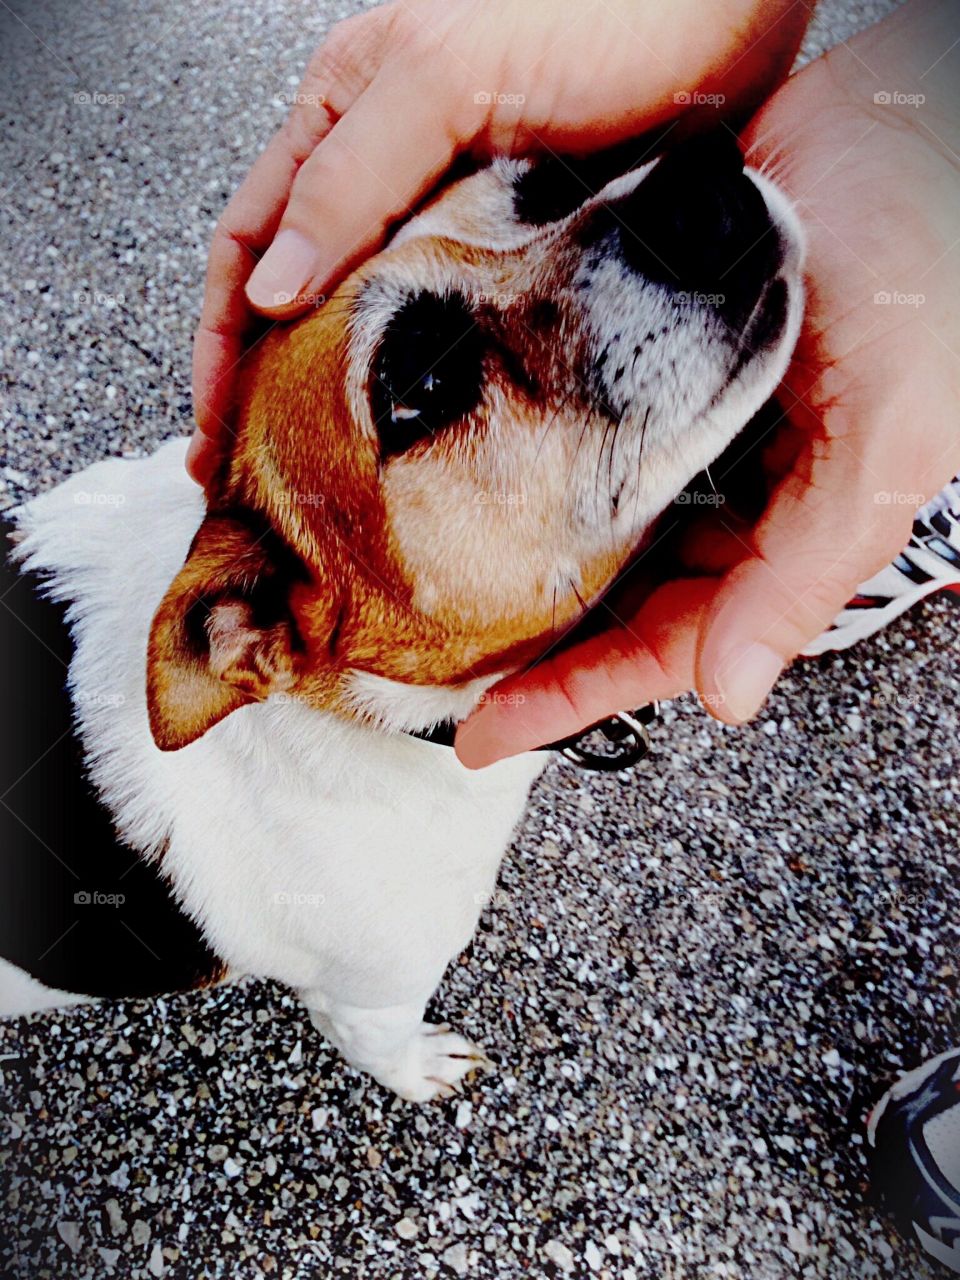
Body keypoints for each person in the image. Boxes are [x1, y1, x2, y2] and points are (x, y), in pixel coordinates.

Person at [189, 2, 960, 1268]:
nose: (664, 197)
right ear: (268, 639)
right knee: (377, 983)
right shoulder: (361, 856)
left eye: (545, 187)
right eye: (426, 378)